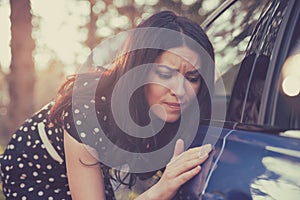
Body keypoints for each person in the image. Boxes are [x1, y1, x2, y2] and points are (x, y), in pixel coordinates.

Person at [0, 10, 215, 199]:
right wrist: (163, 188)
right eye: (165, 74)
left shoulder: (178, 112)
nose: (179, 90)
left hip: (87, 168)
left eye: (192, 77)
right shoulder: (87, 109)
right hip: (35, 170)